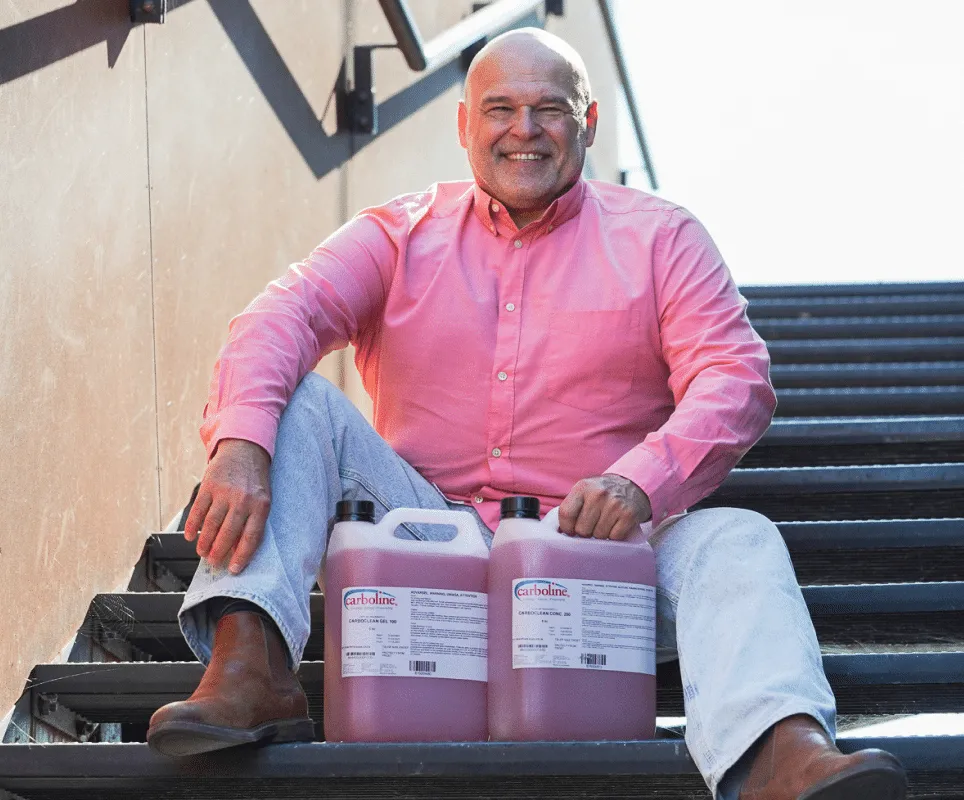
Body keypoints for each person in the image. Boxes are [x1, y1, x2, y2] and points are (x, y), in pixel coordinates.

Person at [146, 28, 907, 800]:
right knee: (289, 405)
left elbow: (733, 377)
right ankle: (252, 668)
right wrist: (239, 444)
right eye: (500, 108)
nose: (524, 129)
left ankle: (778, 750)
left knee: (738, 537)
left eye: (550, 109)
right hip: (425, 546)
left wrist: (639, 483)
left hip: (597, 559)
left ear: (589, 122)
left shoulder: (662, 238)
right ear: (464, 124)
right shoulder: (398, 233)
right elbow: (284, 314)